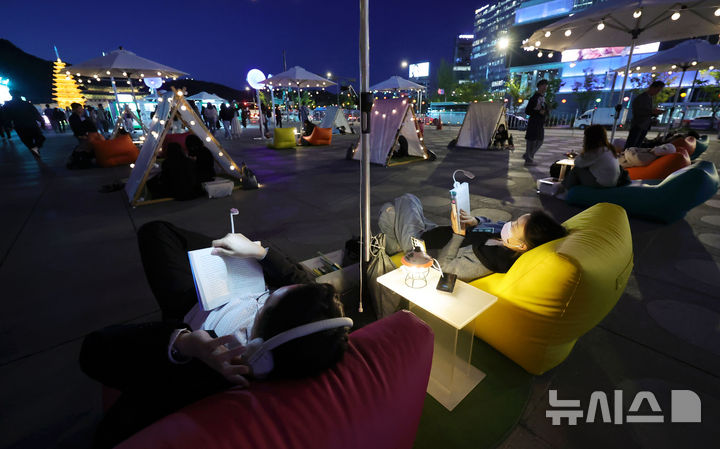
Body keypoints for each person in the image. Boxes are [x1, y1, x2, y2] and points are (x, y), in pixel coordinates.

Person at [79, 221, 350, 448]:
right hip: (230, 288)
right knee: (164, 231)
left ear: (258, 352)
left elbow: (94, 352)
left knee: (156, 233)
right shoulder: (313, 330)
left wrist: (182, 342)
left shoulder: (216, 362)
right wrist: (259, 252)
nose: (264, 297)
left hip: (189, 306)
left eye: (266, 302)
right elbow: (303, 284)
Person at [378, 193, 567, 282]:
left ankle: (396, 246)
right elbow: (491, 223)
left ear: (521, 246)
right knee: (402, 208)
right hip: (435, 232)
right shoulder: (507, 237)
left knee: (397, 207)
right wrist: (475, 221)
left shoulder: (487, 259)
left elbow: (443, 267)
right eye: (516, 219)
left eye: (516, 225)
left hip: (422, 249)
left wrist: (458, 235)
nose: (510, 223)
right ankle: (395, 243)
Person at [562, 125, 622, 189]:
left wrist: (582, 154)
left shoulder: (596, 151)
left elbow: (577, 162)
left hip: (602, 184)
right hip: (612, 182)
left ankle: (564, 188)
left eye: (585, 136)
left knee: (577, 169)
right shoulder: (608, 149)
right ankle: (565, 187)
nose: (583, 139)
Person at [4, 90, 46, 158]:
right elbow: (35, 113)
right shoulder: (26, 103)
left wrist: (8, 125)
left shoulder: (8, 105)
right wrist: (42, 121)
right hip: (31, 124)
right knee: (40, 137)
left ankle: (35, 151)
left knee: (27, 141)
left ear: (11, 94)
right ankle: (36, 148)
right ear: (20, 95)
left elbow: (5, 116)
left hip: (19, 126)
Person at [624, 80, 665, 149]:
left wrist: (654, 113)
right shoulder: (642, 98)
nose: (658, 92)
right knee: (632, 145)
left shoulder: (649, 98)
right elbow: (638, 111)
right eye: (658, 90)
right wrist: (653, 112)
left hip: (643, 125)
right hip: (638, 124)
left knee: (636, 145)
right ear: (652, 88)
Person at [523, 79, 549, 166]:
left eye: (546, 86)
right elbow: (527, 111)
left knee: (539, 141)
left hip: (540, 123)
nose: (545, 88)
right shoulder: (534, 98)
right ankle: (529, 159)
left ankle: (528, 156)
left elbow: (546, 110)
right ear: (539, 87)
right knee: (532, 141)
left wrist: (545, 113)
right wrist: (538, 112)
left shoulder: (543, 98)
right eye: (543, 86)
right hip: (534, 122)